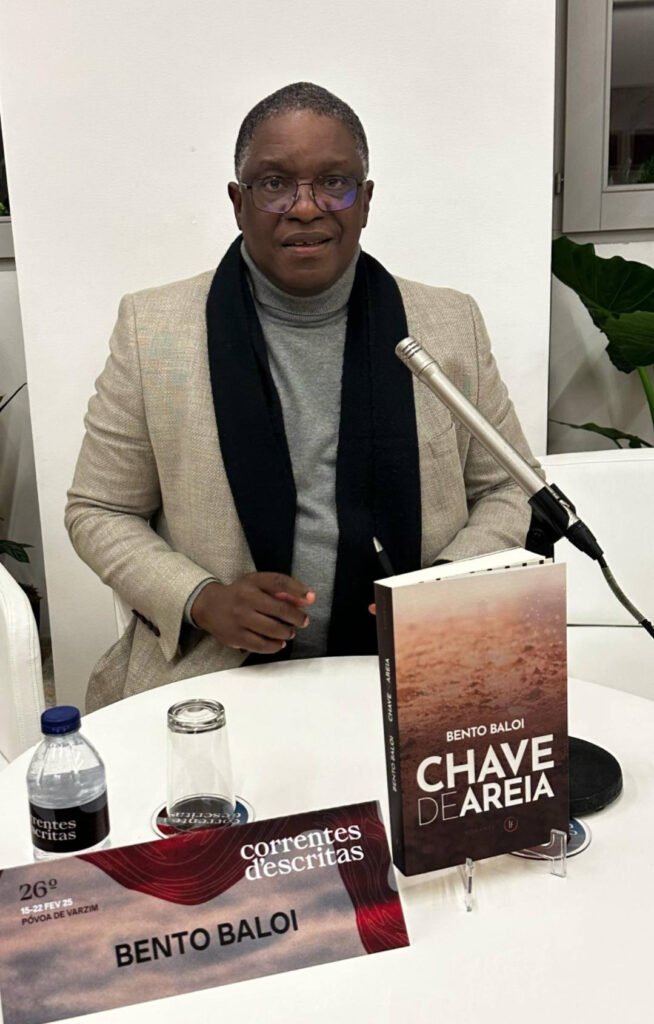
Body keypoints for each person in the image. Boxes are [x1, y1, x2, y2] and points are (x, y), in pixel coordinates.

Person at [66, 82, 548, 711]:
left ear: (365, 201)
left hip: (420, 664)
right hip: (217, 675)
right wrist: (201, 598)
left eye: (333, 183)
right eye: (274, 184)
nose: (305, 208)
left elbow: (513, 487)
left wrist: (436, 594)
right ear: (238, 202)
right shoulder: (152, 329)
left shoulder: (448, 324)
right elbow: (99, 509)